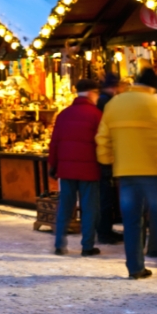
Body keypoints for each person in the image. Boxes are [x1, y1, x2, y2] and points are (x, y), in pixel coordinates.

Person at [96, 68, 157, 279]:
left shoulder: (114, 104)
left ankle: (135, 268)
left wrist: (108, 160)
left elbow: (102, 137)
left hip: (126, 172)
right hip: (155, 171)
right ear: (153, 86)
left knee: (131, 221)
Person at [48, 79, 102, 256]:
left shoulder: (63, 115)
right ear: (92, 93)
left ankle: (59, 244)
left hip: (67, 170)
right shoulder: (96, 115)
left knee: (65, 206)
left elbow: (54, 143)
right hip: (89, 170)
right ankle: (87, 246)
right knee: (88, 209)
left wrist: (53, 165)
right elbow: (101, 144)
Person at [96, 74, 124, 245]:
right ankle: (105, 232)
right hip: (105, 157)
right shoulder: (107, 103)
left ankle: (106, 230)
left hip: (103, 156)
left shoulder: (103, 101)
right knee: (106, 197)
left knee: (106, 196)